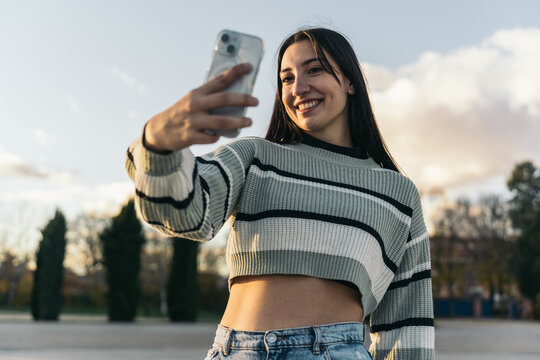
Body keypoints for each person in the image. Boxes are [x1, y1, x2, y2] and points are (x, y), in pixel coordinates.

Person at [125, 27, 434, 360]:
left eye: (314, 69)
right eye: (287, 78)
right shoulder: (255, 157)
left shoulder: (397, 192)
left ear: (350, 81)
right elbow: (185, 215)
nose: (298, 88)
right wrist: (158, 141)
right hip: (235, 351)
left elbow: (407, 327)